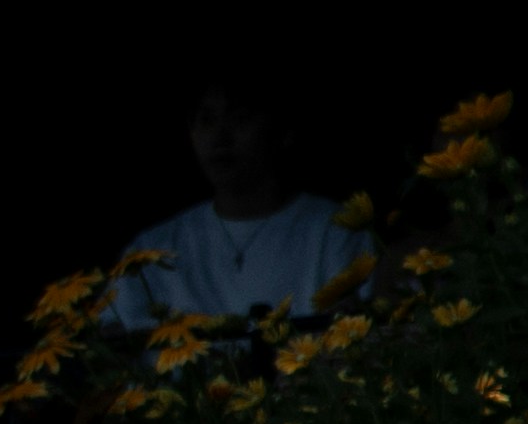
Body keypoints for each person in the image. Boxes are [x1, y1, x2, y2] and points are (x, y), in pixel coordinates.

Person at [103, 84, 373, 334]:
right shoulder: (152, 250)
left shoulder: (335, 230)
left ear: (283, 132)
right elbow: (112, 345)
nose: (220, 137)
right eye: (207, 120)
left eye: (239, 119)